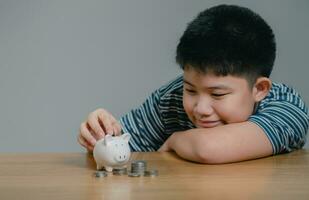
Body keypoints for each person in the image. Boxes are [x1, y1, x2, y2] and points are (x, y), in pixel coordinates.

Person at [77, 4, 309, 164]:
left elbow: (209, 149)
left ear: (259, 89)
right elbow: (121, 150)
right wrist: (101, 136)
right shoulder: (171, 98)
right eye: (190, 89)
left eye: (217, 94)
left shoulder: (287, 107)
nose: (200, 109)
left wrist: (175, 139)